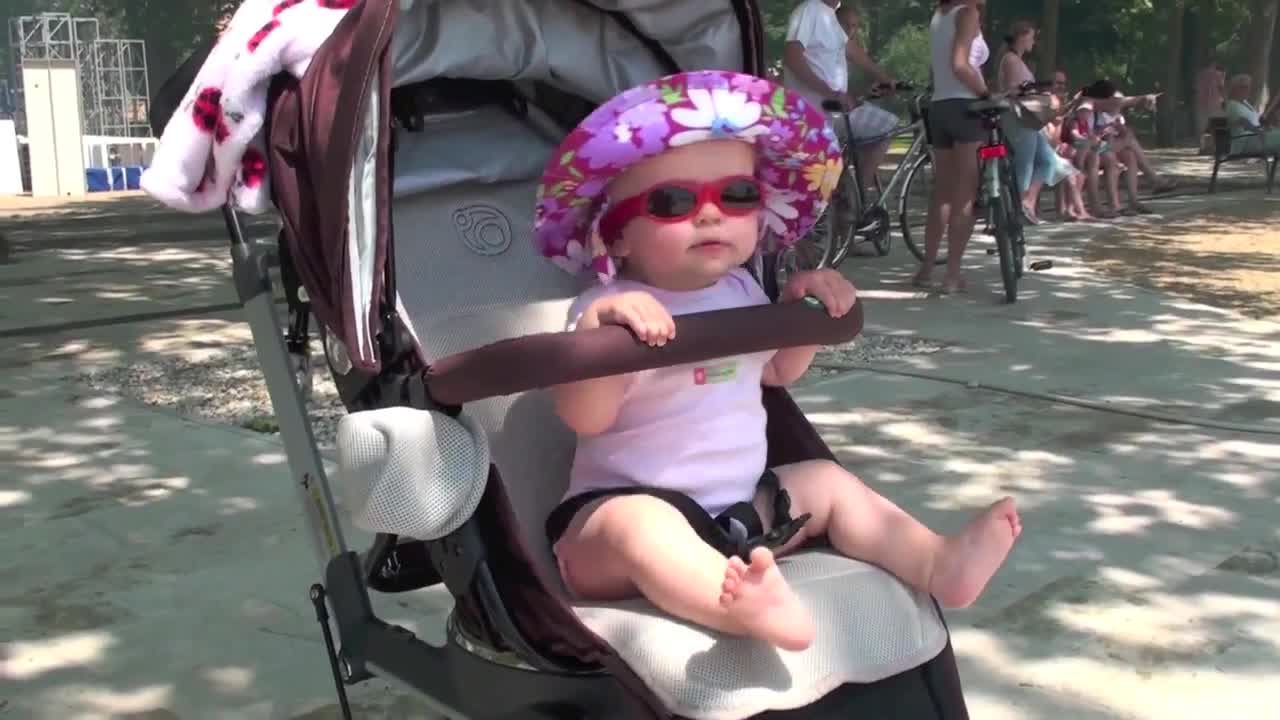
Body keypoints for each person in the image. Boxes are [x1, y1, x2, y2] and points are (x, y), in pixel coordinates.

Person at [534, 70, 1022, 651]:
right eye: (673, 202)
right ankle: (734, 607)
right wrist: (600, 339)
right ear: (614, 238)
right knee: (638, 525)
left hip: (742, 515)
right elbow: (585, 419)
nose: (711, 215)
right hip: (611, 528)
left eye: (736, 196)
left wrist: (803, 315)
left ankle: (936, 563)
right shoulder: (605, 308)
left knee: (825, 481)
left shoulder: (742, 293)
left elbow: (773, 374)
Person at [783, 0, 899, 195]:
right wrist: (833, 93)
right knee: (888, 125)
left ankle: (848, 195)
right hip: (815, 113)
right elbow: (792, 58)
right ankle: (855, 198)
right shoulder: (809, 9)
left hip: (833, 112)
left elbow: (854, 53)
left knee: (870, 134)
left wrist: (887, 80)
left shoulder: (830, 16)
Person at [918, 0, 989, 294]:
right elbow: (960, 65)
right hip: (966, 106)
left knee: (942, 193)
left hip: (940, 105)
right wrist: (987, 93)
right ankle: (952, 275)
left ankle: (925, 269)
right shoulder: (967, 13)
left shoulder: (940, 14)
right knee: (965, 194)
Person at [996, 21, 1079, 224]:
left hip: (1026, 120)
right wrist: (1039, 94)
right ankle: (1018, 211)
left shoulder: (1017, 60)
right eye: (1032, 36)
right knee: (1024, 165)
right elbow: (1015, 91)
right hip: (1018, 118)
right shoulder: (1011, 60)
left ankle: (1026, 204)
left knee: (1047, 161)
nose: (1034, 41)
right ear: (1022, 36)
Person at [1223, 73, 1280, 155]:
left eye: (1248, 87)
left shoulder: (1245, 103)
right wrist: (1258, 131)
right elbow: (1244, 122)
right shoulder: (1232, 105)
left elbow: (1254, 121)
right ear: (1234, 89)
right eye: (1244, 87)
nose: (1247, 90)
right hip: (1245, 142)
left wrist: (1266, 128)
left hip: (1255, 138)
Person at [1194, 58, 1227, 151]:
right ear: (1214, 63)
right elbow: (1221, 87)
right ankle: (1214, 146)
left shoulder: (1200, 74)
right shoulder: (1218, 74)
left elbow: (1196, 89)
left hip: (1201, 103)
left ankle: (1201, 147)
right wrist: (1225, 99)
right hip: (1215, 103)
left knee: (1202, 127)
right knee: (1215, 126)